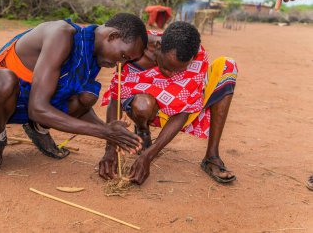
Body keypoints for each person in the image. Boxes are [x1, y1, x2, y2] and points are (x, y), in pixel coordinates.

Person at [0, 13, 148, 173]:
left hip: (36, 100)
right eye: (123, 56)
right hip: (6, 99)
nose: (120, 64)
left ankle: (38, 128)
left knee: (87, 95)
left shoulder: (90, 53)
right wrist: (104, 131)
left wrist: (110, 131)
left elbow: (78, 106)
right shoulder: (62, 35)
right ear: (113, 36)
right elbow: (37, 108)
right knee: (2, 82)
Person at [99, 22, 238, 185]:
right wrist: (110, 148)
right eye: (166, 67)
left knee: (228, 66)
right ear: (159, 46)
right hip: (149, 109)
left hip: (180, 109)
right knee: (143, 105)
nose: (171, 74)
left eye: (179, 70)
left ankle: (211, 156)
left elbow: (185, 110)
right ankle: (143, 130)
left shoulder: (197, 57)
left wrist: (148, 156)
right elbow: (116, 96)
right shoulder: (134, 46)